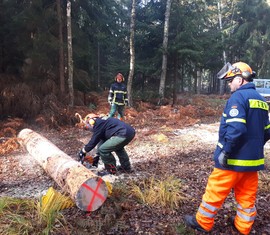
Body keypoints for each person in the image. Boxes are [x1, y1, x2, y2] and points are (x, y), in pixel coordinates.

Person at [184, 62, 270, 235]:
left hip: (233, 159)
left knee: (215, 190)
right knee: (247, 195)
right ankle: (243, 226)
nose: (229, 84)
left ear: (239, 79)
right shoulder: (261, 100)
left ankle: (203, 222)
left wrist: (226, 151)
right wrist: (253, 148)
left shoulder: (238, 98)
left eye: (231, 81)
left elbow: (236, 129)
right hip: (253, 161)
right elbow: (267, 132)